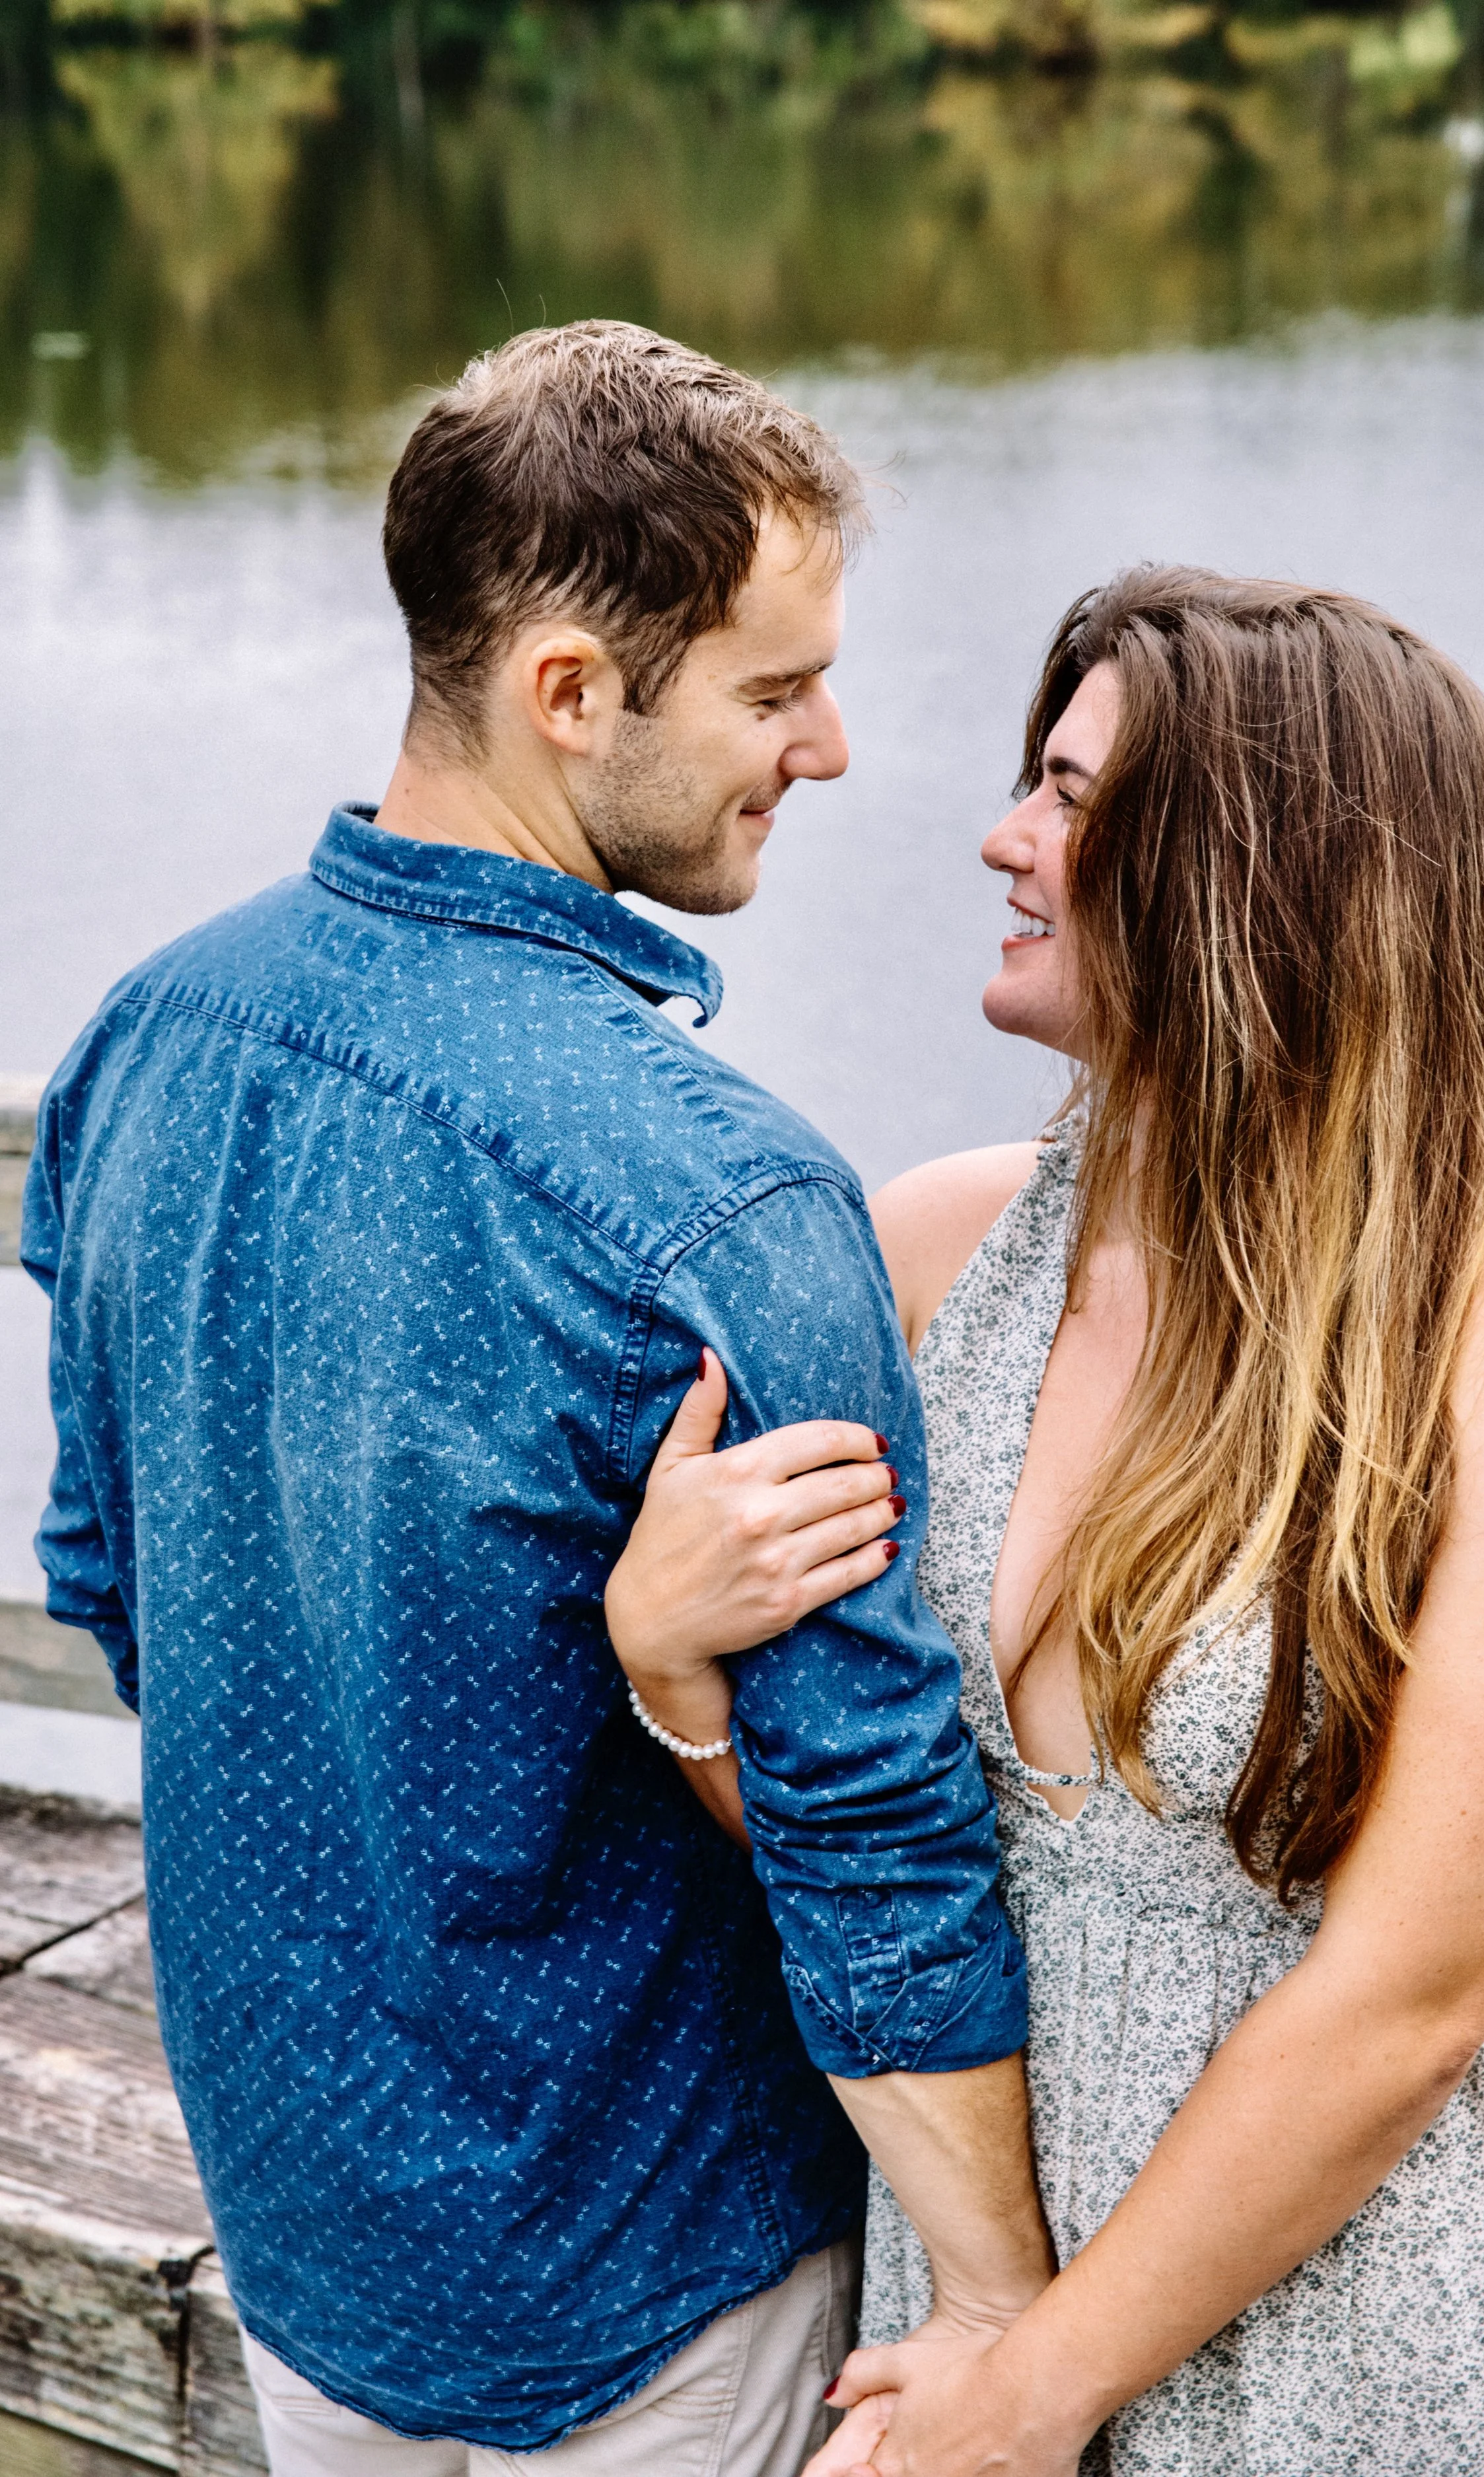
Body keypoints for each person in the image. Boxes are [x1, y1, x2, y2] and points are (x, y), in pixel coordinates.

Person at [20, 322, 1055, 2476]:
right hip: (655, 2282)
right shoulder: (723, 1199)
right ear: (570, 692)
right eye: (773, 692)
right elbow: (867, 1827)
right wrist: (996, 2314)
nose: (833, 747)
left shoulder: (146, 1035)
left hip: (308, 2230)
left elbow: (109, 1581)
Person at [603, 566, 1484, 2476]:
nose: (1003, 838)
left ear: (1266, 881)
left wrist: (1031, 2393)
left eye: (1073, 797)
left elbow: (1403, 2002)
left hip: (1374, 2329)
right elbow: (883, 1843)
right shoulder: (930, 1254)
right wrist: (671, 1665)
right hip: (975, 2269)